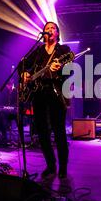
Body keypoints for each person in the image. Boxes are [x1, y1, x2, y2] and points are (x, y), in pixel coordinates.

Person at [20, 22, 71, 179]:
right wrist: (24, 74)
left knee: (59, 131)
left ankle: (63, 167)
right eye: (47, 28)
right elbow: (22, 64)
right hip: (39, 95)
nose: (49, 30)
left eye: (52, 28)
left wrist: (60, 68)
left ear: (57, 33)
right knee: (42, 132)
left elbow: (69, 70)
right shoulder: (38, 51)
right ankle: (51, 165)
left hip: (55, 93)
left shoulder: (64, 51)